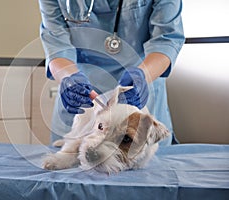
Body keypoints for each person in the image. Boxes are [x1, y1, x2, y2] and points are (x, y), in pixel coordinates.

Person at [38, 0, 185, 145]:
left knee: (141, 159)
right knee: (67, 161)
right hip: (81, 97)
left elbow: (166, 39)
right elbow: (56, 45)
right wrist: (68, 78)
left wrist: (143, 75)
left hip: (142, 81)